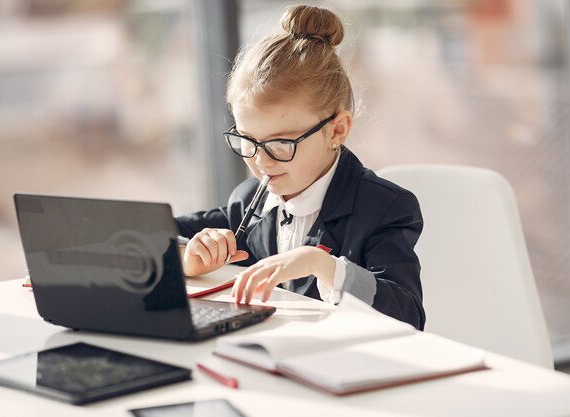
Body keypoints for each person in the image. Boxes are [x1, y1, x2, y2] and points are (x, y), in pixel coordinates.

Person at [175, 5, 425, 330]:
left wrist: (324, 266)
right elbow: (152, 234)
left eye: (281, 144)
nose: (261, 161)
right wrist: (190, 257)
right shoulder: (250, 199)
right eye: (248, 141)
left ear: (336, 130)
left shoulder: (384, 209)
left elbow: (407, 315)